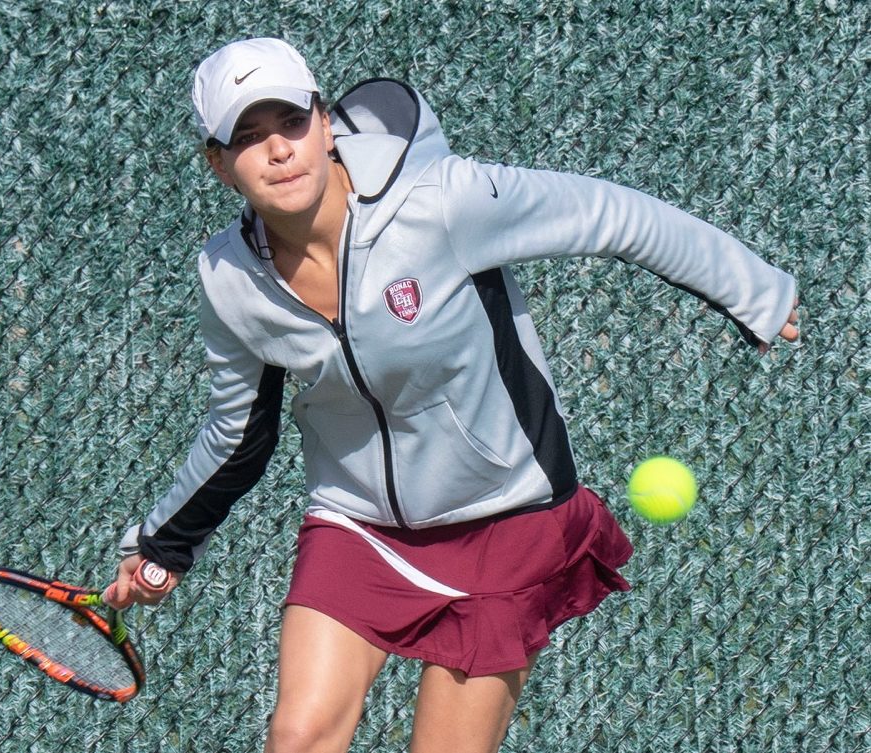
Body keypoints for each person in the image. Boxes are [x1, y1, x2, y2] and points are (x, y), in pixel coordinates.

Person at [108, 37, 800, 753]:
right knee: (300, 735)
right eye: (247, 138)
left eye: (289, 122)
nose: (278, 150)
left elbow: (610, 213)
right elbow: (238, 430)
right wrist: (165, 541)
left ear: (324, 123)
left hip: (506, 513)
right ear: (218, 165)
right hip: (358, 521)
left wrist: (751, 288)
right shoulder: (226, 276)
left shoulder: (440, 202)